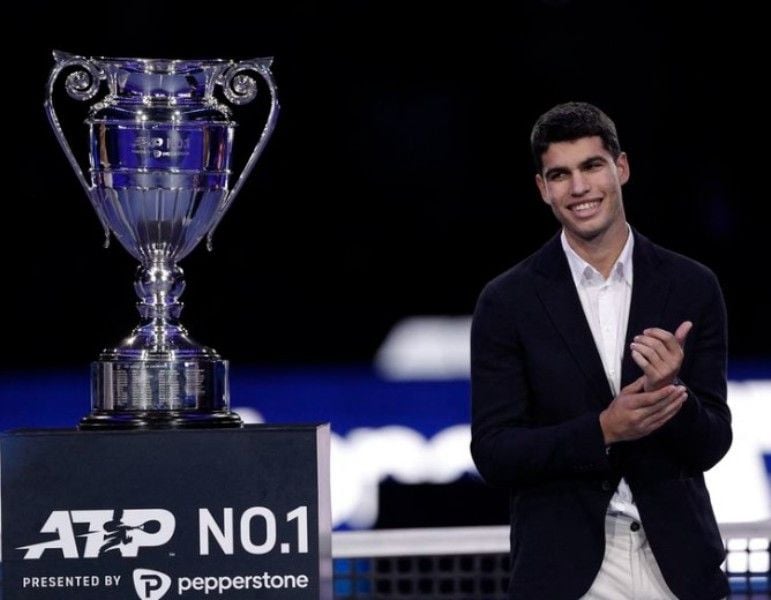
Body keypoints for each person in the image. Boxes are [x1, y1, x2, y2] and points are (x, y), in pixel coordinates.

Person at [470, 101, 731, 600]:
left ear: (622, 168)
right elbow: (495, 451)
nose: (580, 187)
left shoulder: (691, 286)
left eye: (592, 166)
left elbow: (714, 441)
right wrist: (603, 431)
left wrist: (670, 395)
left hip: (678, 567)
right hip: (568, 574)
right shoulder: (508, 302)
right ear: (543, 189)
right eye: (560, 174)